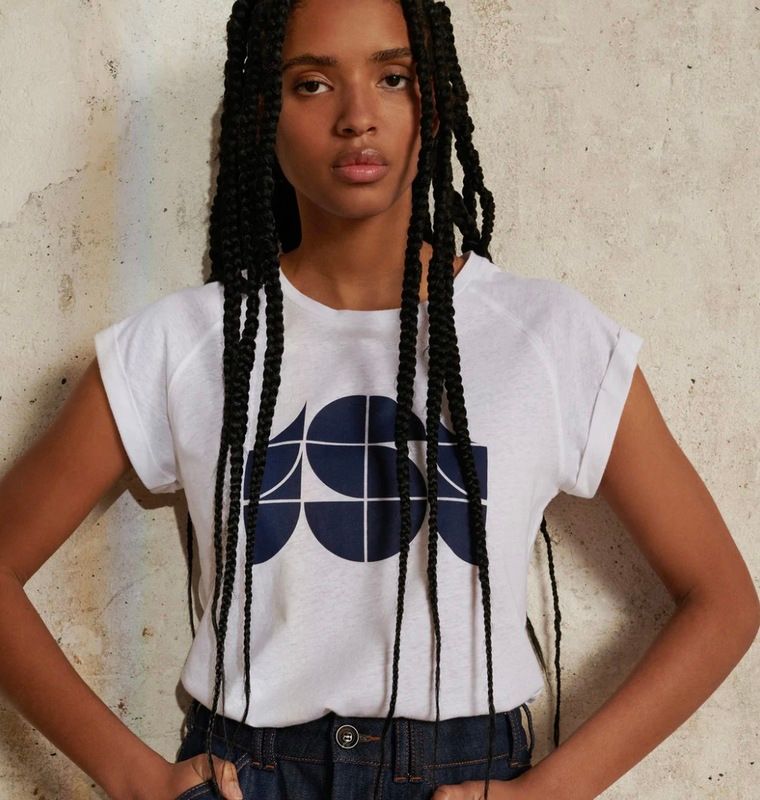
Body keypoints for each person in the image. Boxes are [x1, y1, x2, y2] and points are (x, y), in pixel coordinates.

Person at [0, 0, 757, 799]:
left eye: (393, 77)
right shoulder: (183, 344)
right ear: (264, 112)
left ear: (437, 101)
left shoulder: (547, 337)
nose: (358, 116)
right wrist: (138, 780)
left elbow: (724, 601)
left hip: (462, 774)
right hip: (247, 775)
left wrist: (548, 794)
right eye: (312, 83)